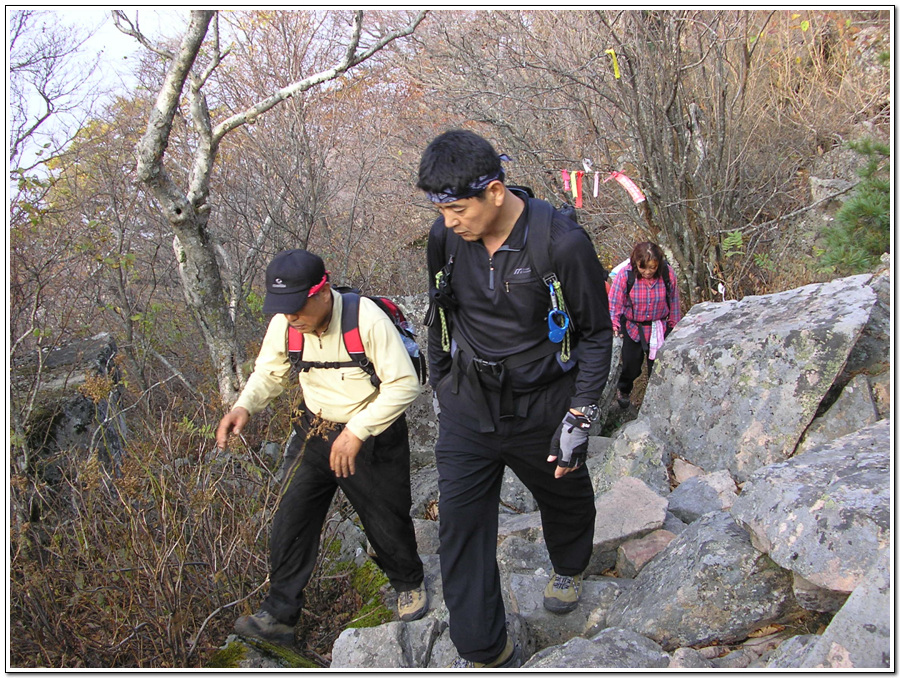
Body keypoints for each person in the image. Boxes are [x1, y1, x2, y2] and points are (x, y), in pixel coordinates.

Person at [418, 130, 613, 668]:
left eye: (458, 209)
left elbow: (597, 333)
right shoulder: (446, 238)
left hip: (544, 402)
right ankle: (486, 648)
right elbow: (440, 310)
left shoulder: (561, 243)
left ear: (496, 192)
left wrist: (580, 415)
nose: (449, 221)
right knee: (460, 522)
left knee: (564, 495)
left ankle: (569, 565)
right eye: (440, 209)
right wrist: (441, 380)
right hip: (468, 403)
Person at [215, 249, 427, 648]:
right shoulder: (286, 324)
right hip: (313, 428)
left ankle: (408, 582)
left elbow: (404, 383)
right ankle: (279, 616)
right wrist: (244, 405)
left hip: (372, 433)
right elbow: (271, 372)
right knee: (290, 517)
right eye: (282, 308)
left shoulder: (365, 319)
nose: (290, 316)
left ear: (322, 291)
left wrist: (358, 431)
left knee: (385, 518)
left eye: (296, 306)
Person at [608, 241, 682, 409]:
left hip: (658, 328)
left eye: (652, 268)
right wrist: (614, 323)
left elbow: (674, 300)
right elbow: (614, 302)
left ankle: (655, 400)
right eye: (643, 268)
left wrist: (674, 325)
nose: (648, 272)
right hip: (633, 326)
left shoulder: (666, 273)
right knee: (631, 365)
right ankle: (624, 389)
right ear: (636, 264)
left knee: (657, 367)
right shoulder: (626, 275)